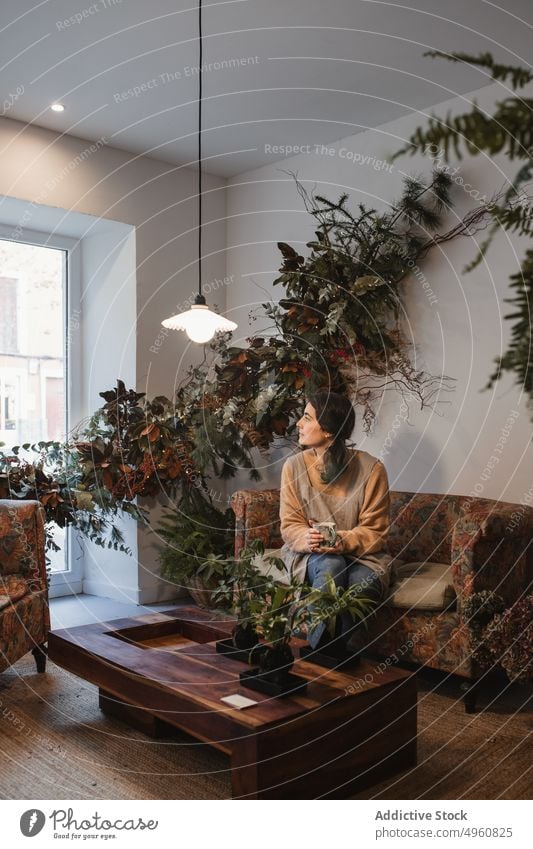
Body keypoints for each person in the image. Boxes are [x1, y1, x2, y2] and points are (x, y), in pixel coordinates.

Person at [279, 390, 391, 655]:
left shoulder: (371, 469)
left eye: (307, 417)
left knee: (361, 583)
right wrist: (304, 537)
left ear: (328, 429)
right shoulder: (293, 467)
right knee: (331, 564)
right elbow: (290, 523)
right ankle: (324, 654)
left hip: (363, 557)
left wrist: (342, 541)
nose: (299, 424)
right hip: (308, 554)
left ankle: (336, 657)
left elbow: (376, 531)